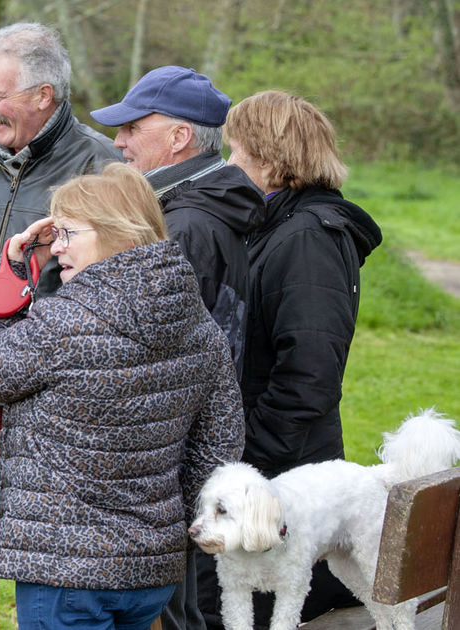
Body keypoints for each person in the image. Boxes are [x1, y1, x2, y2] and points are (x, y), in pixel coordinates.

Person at [0, 162, 244, 630]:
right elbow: (219, 443)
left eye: (68, 233)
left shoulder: (63, 323)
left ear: (119, 236)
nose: (57, 247)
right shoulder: (198, 325)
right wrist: (166, 525)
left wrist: (11, 273)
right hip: (152, 571)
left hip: (67, 572)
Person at [0, 22, 121, 628]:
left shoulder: (102, 166)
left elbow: (120, 286)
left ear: (43, 95)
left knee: (54, 564)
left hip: (63, 399)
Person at [90, 66, 265, 630]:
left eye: (132, 128)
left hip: (163, 454)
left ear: (178, 137)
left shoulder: (185, 224)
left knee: (163, 610)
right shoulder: (201, 211)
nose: (118, 143)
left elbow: (151, 349)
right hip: (187, 446)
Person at [207, 89, 383, 630]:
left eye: (236, 151)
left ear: (270, 159)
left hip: (285, 476)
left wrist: (253, 457)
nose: (230, 164)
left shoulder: (307, 237)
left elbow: (309, 373)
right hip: (274, 470)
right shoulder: (280, 225)